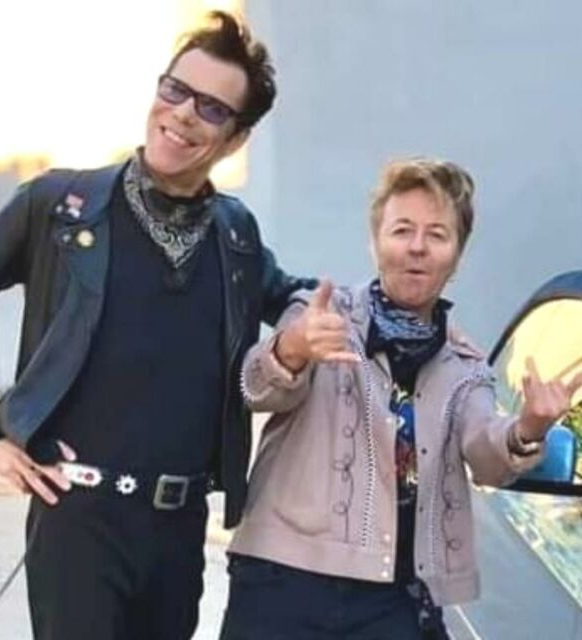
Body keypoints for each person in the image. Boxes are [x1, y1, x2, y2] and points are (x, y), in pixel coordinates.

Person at [0, 12, 314, 640]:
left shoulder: (235, 236)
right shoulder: (59, 206)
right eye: (175, 89)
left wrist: (391, 310)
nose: (183, 113)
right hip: (77, 523)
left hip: (179, 530)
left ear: (236, 138)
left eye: (212, 108)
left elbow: (296, 300)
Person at [219, 158, 582, 639]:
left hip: (394, 595)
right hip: (281, 580)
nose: (417, 247)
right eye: (402, 230)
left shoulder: (465, 365)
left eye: (437, 234)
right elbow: (254, 389)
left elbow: (487, 456)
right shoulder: (321, 316)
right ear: (376, 242)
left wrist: (531, 425)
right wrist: (291, 349)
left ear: (456, 256)